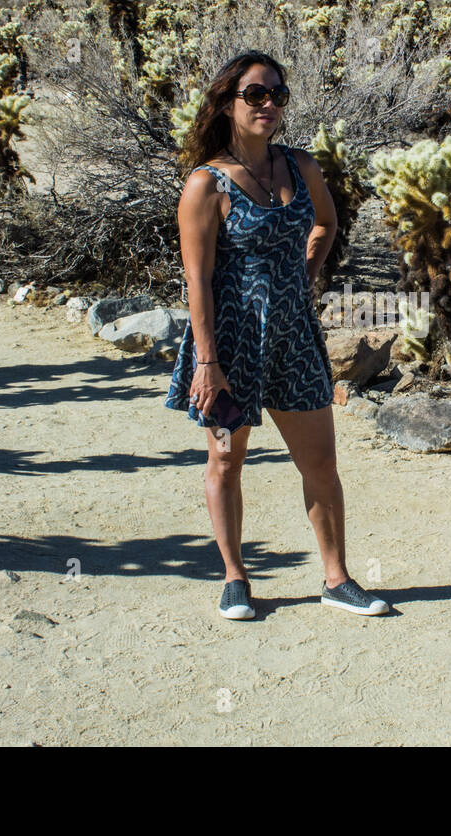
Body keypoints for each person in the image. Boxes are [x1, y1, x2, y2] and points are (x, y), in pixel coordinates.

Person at [165, 50, 391, 621]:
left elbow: (327, 222)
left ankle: (336, 578)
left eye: (277, 95)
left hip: (293, 337)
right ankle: (235, 577)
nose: (268, 104)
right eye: (254, 94)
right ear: (227, 103)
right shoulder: (206, 184)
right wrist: (207, 362)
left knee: (320, 464)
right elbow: (197, 280)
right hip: (230, 343)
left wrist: (303, 277)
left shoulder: (301, 167)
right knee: (225, 460)